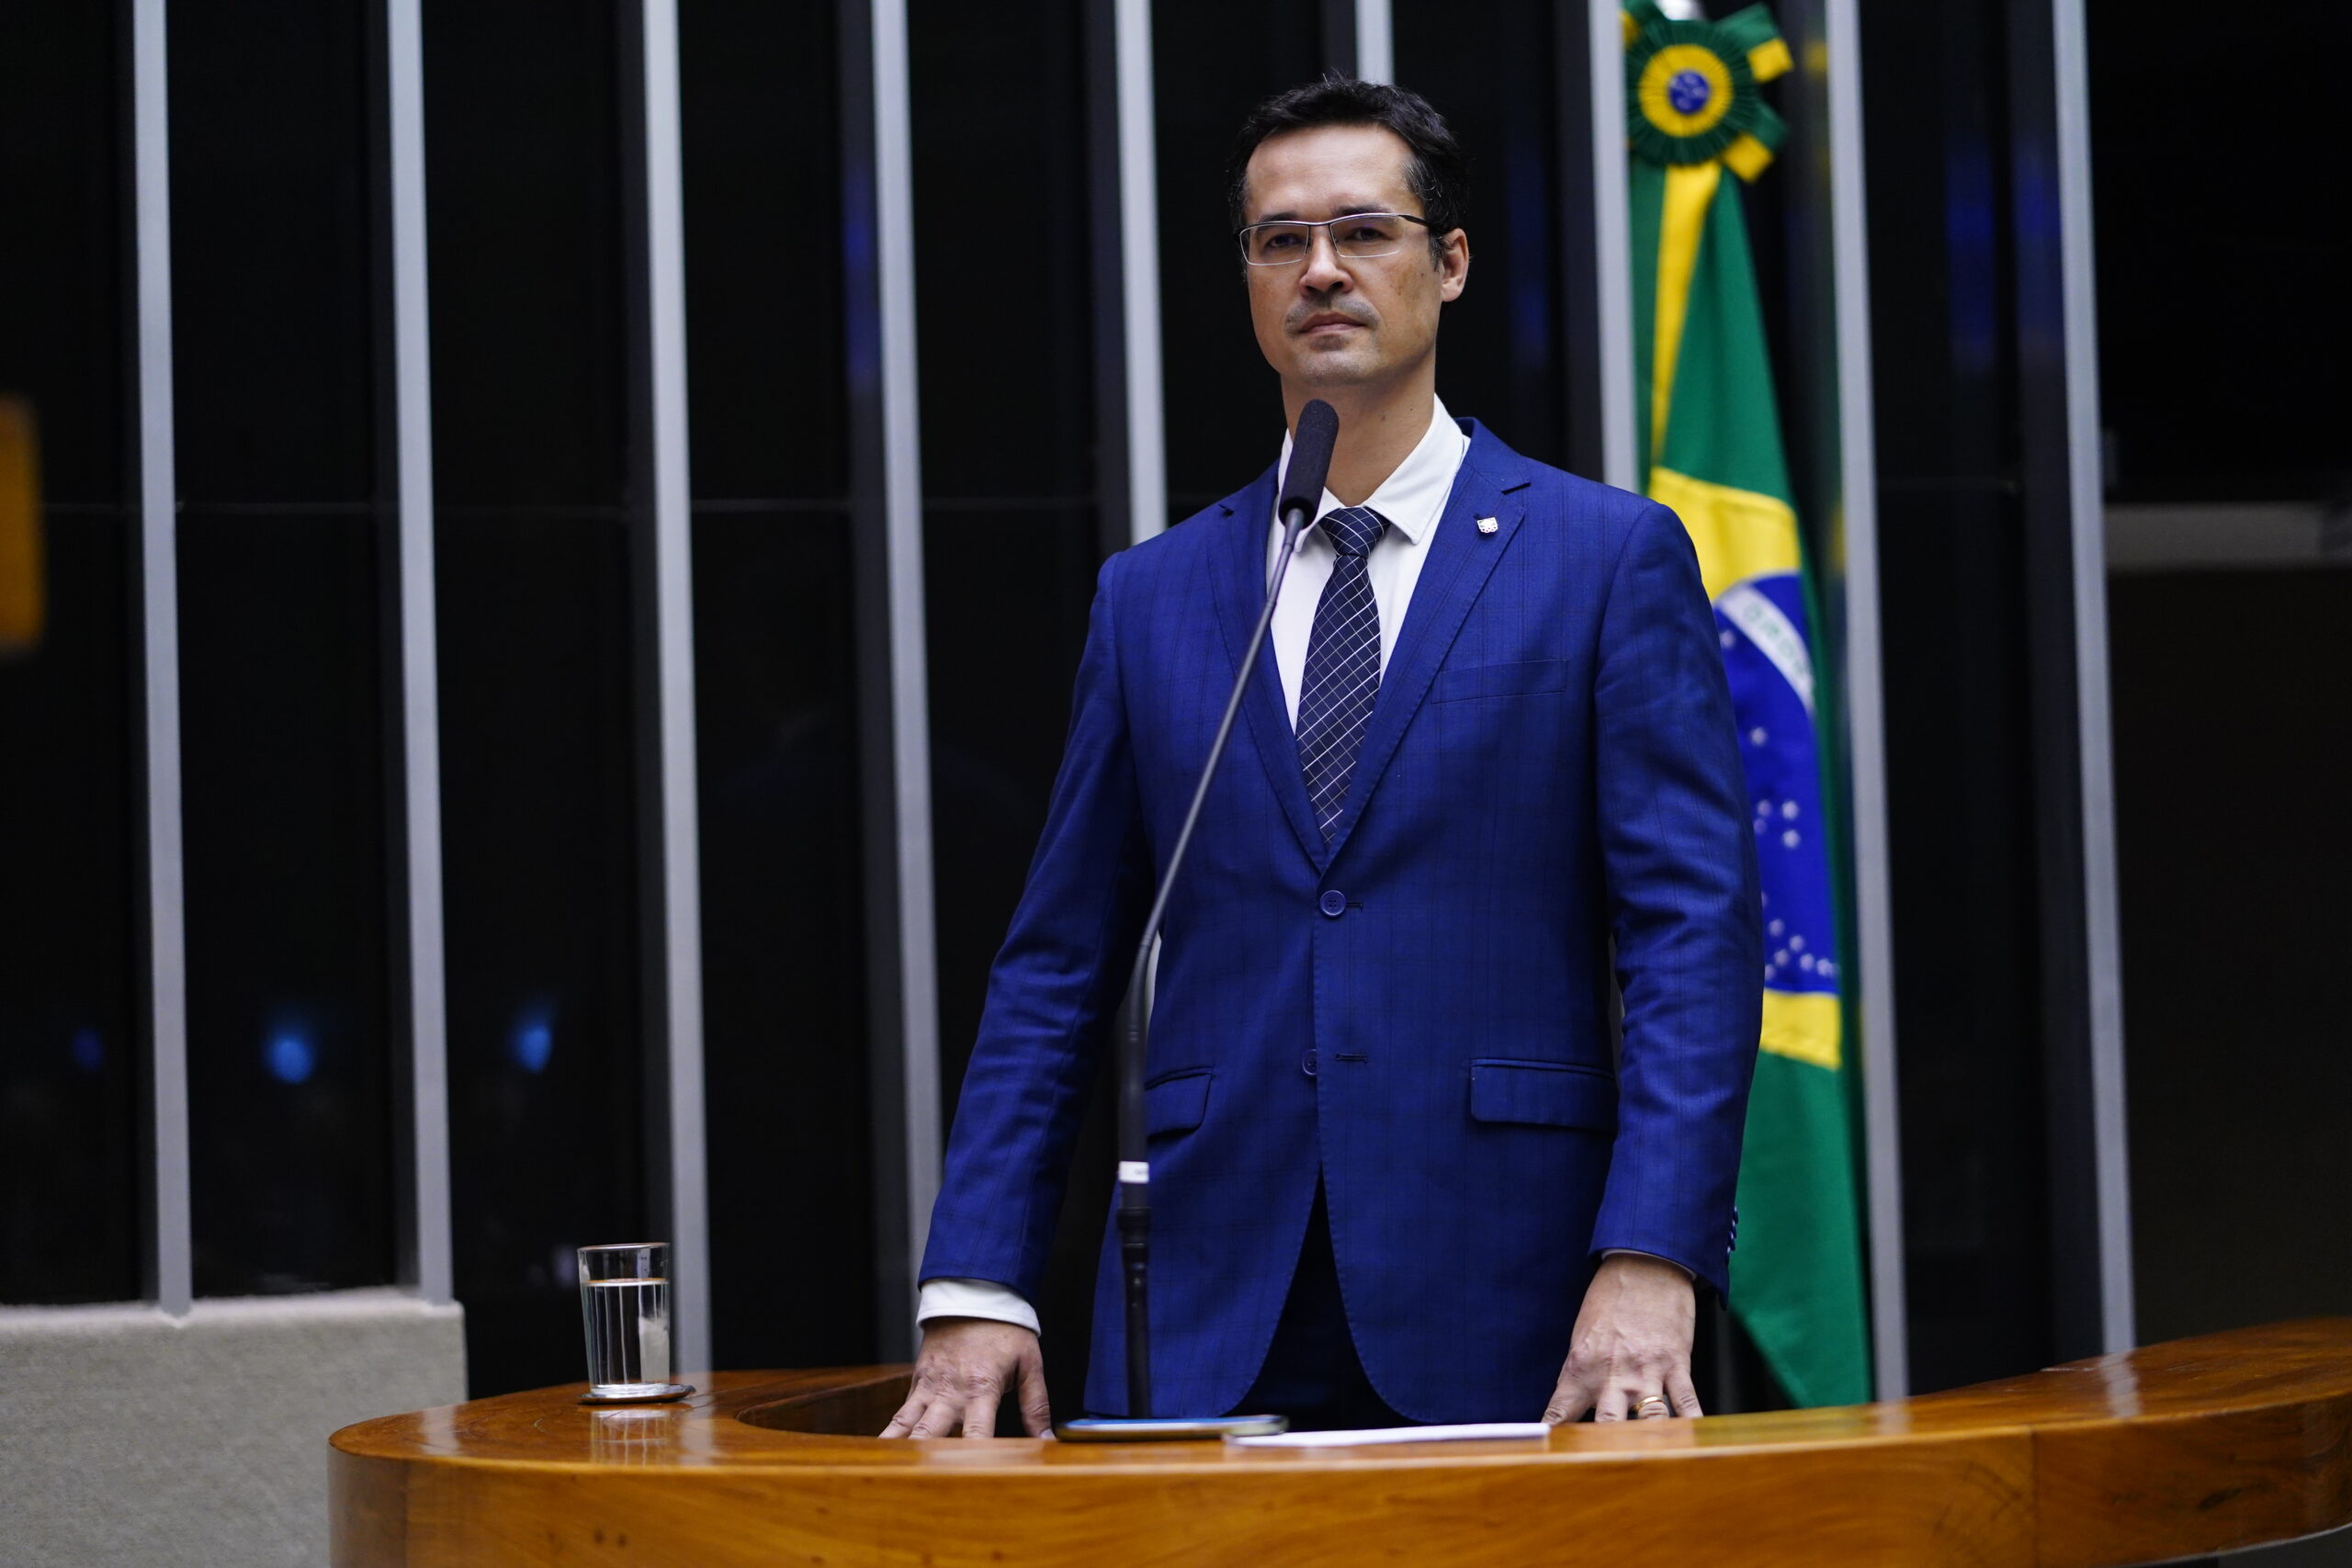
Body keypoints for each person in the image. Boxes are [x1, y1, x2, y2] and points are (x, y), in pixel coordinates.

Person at [882, 77, 1758, 1438]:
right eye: (1281, 241)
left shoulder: (1603, 558)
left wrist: (1650, 1257)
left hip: (1518, 1289)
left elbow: (1691, 939)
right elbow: (1056, 967)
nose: (1323, 271)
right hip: (1206, 1295)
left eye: (1366, 231)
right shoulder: (1155, 595)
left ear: (1450, 262)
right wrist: (978, 1277)